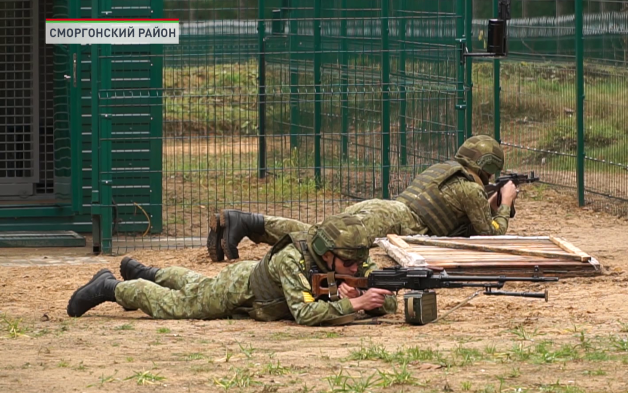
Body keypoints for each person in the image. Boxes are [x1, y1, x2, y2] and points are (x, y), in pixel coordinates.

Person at [207, 135, 518, 261]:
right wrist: (504, 202)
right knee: (321, 238)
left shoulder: (446, 170)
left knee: (320, 230)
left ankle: (244, 223)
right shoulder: (470, 188)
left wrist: (489, 204)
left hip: (384, 209)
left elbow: (459, 216)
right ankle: (243, 223)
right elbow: (491, 236)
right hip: (394, 221)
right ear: (489, 168)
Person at [66, 215, 396, 326]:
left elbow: (386, 300)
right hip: (239, 290)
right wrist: (353, 304)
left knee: (194, 285)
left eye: (357, 262)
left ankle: (149, 273)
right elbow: (304, 313)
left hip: (255, 293)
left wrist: (368, 295)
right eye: (349, 264)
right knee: (179, 306)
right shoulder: (294, 258)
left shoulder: (351, 253)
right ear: (327, 253)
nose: (355, 268)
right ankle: (109, 287)